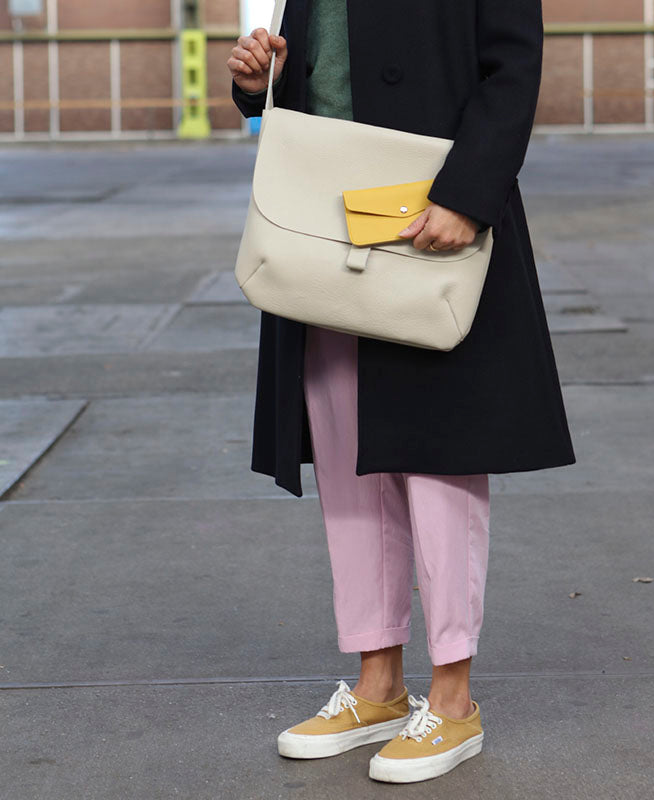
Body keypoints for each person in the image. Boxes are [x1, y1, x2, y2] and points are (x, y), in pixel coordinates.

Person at [228, 0, 575, 784]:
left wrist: (470, 190)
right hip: (325, 219)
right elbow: (328, 75)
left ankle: (453, 701)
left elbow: (512, 63)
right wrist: (260, 84)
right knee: (346, 445)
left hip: (431, 207)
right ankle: (378, 685)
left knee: (438, 450)